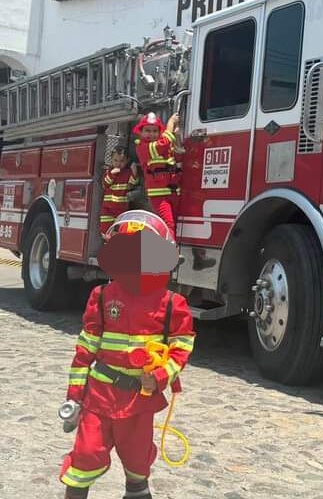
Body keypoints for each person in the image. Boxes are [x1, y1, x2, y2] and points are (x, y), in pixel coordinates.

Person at [59, 210, 195, 499]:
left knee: (137, 464)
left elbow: (182, 346)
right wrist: (74, 396)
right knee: (85, 455)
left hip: (139, 402)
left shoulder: (174, 304)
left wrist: (160, 376)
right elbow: (85, 351)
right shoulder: (102, 297)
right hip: (99, 396)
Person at [133, 113, 182, 236]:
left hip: (173, 193)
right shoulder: (142, 148)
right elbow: (163, 143)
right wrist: (170, 122)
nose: (151, 134)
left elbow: (178, 157)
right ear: (140, 132)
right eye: (147, 130)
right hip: (159, 196)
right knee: (167, 224)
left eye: (155, 131)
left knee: (174, 224)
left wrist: (177, 137)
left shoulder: (164, 147)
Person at [99, 147, 138, 237]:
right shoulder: (109, 171)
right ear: (111, 160)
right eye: (115, 160)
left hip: (122, 209)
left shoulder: (128, 173)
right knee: (105, 231)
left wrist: (134, 172)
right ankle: (110, 240)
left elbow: (132, 184)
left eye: (122, 161)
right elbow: (105, 184)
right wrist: (112, 174)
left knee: (123, 230)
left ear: (127, 161)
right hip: (107, 208)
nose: (118, 163)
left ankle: (117, 242)